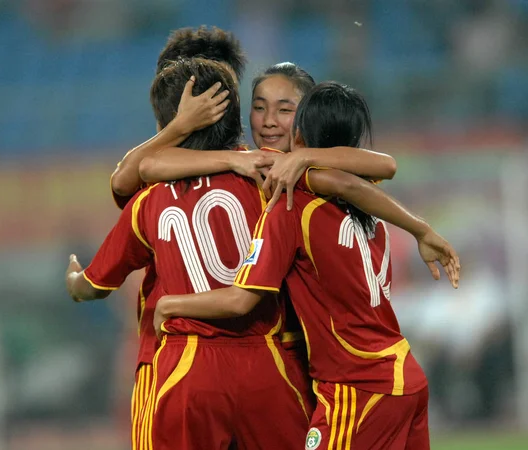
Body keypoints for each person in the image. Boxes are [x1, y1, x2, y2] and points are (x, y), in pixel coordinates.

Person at [152, 82, 461, 450]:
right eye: (261, 107)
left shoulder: (291, 205)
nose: (271, 123)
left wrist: (170, 304)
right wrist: (420, 229)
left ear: (298, 133)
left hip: (357, 388)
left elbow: (240, 300)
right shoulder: (368, 203)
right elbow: (366, 173)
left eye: (285, 111)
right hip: (404, 375)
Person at [66, 58, 310, 450]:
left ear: (165, 127)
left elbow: (91, 286)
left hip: (185, 363)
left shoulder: (148, 201)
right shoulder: (275, 182)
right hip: (270, 361)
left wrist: (74, 279)